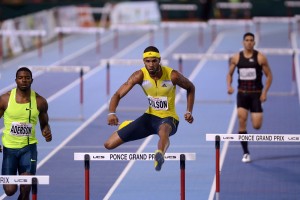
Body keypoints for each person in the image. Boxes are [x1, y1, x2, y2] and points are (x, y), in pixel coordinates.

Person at [105, 46, 195, 171]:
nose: (151, 64)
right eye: (148, 61)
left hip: (168, 118)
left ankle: (159, 155)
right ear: (143, 62)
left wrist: (189, 111)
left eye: (154, 61)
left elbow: (190, 87)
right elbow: (118, 94)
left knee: (164, 131)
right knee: (109, 144)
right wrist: (111, 113)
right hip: (149, 118)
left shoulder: (172, 75)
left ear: (159, 60)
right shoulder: (139, 75)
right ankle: (129, 125)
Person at [0, 67, 52, 199]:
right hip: (9, 149)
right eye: (21, 78)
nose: (24, 80)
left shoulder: (40, 101)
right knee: (10, 190)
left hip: (28, 149)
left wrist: (46, 131)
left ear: (32, 80)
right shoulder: (5, 99)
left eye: (27, 78)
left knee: (26, 185)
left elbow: (44, 123)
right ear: (16, 80)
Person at [227, 32, 273, 163]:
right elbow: (229, 74)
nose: (248, 42)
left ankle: (246, 149)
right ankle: (246, 152)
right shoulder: (236, 57)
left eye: (251, 40)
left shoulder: (260, 57)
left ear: (254, 42)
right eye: (246, 40)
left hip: (256, 94)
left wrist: (264, 92)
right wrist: (229, 86)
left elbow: (269, 76)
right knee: (242, 121)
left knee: (257, 125)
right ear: (243, 42)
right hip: (242, 94)